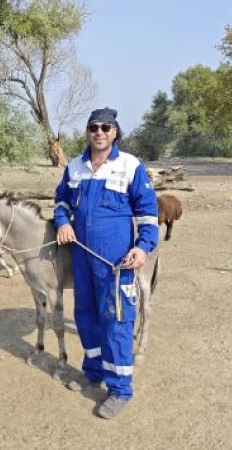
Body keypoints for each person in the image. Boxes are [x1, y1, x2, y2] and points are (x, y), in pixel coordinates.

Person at [53, 107, 159, 419]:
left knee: (117, 320)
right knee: (86, 315)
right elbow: (61, 201)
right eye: (94, 128)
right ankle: (94, 371)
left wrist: (143, 248)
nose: (99, 132)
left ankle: (120, 389)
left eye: (105, 128)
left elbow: (148, 213)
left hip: (117, 262)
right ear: (88, 132)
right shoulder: (75, 167)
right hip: (83, 259)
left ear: (115, 133)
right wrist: (62, 221)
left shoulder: (130, 166)